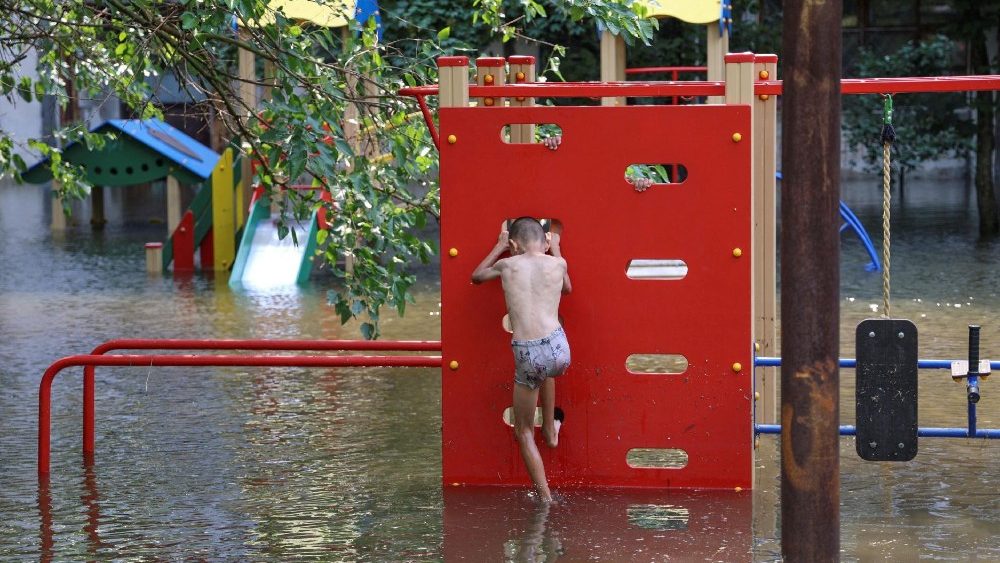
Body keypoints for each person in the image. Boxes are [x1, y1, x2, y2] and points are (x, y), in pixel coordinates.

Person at [471, 216, 572, 502]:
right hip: (560, 349)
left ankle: (545, 500)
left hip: (529, 353)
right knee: (547, 369)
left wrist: (498, 247)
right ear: (546, 242)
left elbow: (477, 276)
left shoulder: (507, 264)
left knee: (523, 431)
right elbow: (567, 288)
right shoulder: (558, 263)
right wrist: (557, 250)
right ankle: (551, 430)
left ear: (513, 244)